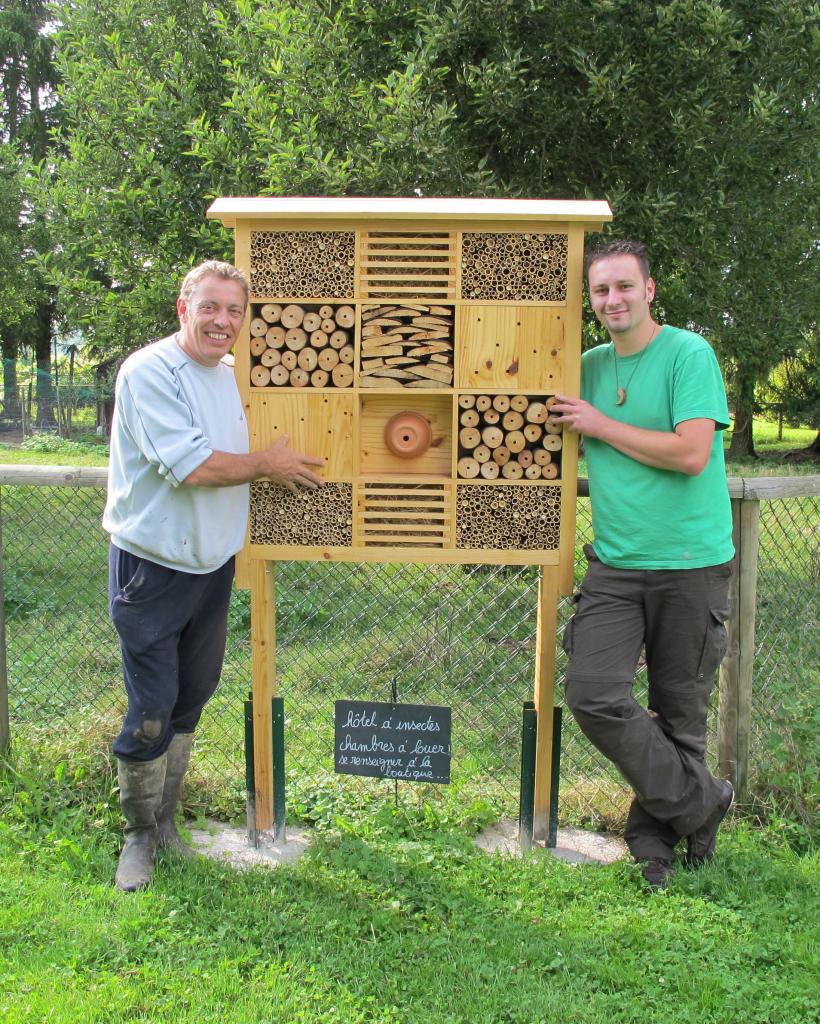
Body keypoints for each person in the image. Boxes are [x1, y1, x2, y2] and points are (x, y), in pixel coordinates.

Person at [103, 260, 324, 892]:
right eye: (210, 307)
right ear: (183, 308)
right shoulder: (149, 372)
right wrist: (269, 464)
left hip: (211, 567)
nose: (222, 321)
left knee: (191, 698)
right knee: (150, 708)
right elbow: (192, 468)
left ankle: (165, 823)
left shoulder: (233, 379)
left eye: (234, 310)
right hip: (151, 567)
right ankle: (138, 837)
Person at [551, 239, 735, 889]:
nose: (613, 300)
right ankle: (702, 804)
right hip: (617, 565)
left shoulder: (690, 354)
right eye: (601, 291)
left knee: (679, 709)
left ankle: (654, 839)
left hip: (691, 563)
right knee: (593, 693)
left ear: (649, 290)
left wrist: (599, 426)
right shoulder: (587, 367)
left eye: (624, 287)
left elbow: (690, 453)